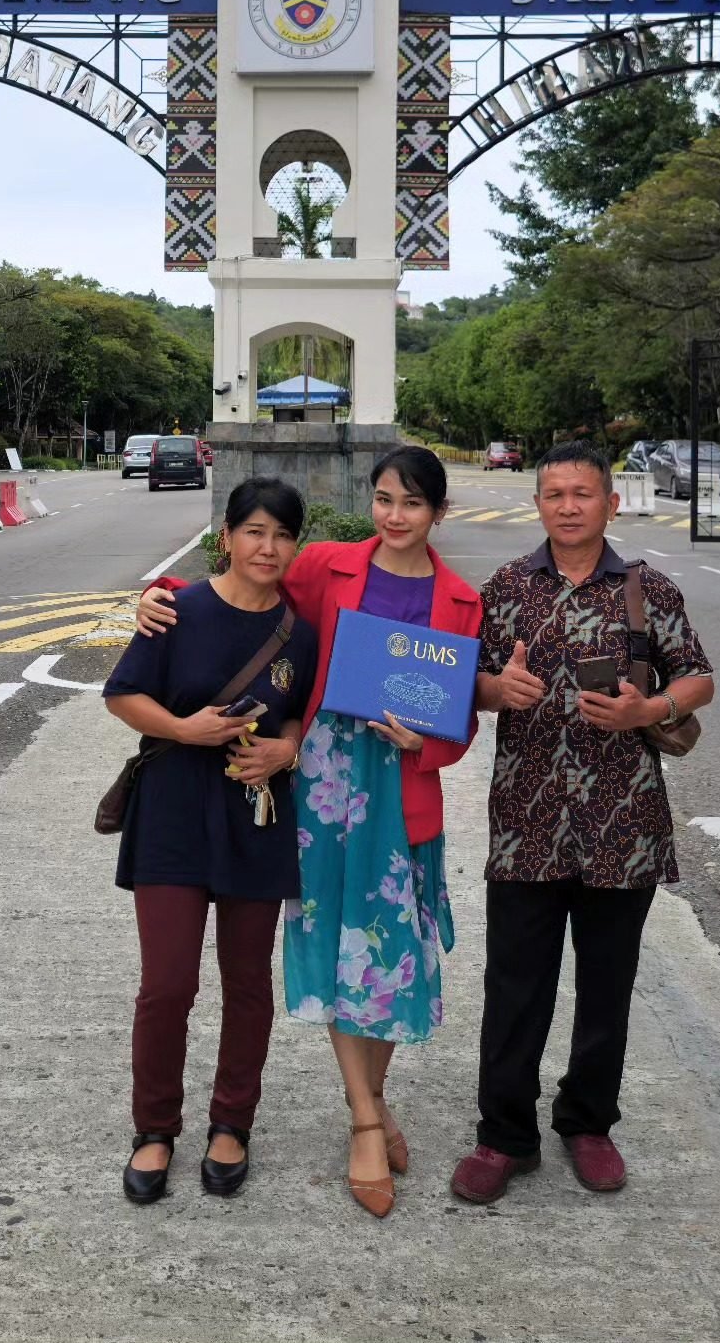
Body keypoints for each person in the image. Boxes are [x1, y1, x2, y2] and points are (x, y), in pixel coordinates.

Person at [137, 446, 482, 1218]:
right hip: (327, 787)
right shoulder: (327, 564)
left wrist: (425, 745)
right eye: (385, 499)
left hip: (404, 790)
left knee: (393, 953)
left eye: (413, 504)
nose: (395, 516)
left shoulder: (460, 601)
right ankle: (365, 1119)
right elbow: (239, 586)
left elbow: (455, 725)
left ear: (438, 513)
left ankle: (375, 1099)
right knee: (335, 948)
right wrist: (157, 597)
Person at [449, 439, 714, 1204]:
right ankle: (504, 1136)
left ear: (611, 503)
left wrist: (650, 707)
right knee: (515, 985)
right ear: (537, 504)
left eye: (583, 493)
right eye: (555, 494)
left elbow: (697, 676)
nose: (569, 505)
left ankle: (588, 1122)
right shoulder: (504, 590)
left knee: (607, 985)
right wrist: (499, 691)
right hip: (526, 820)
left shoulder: (647, 590)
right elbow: (461, 680)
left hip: (623, 820)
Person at [104, 476, 318, 1204]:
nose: (269, 547)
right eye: (255, 531)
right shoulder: (176, 612)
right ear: (225, 537)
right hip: (172, 812)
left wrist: (286, 751)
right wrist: (184, 728)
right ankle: (155, 1128)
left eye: (284, 534)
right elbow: (122, 694)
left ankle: (233, 1121)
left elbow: (297, 716)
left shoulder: (301, 632)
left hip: (255, 815)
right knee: (167, 986)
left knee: (248, 984)